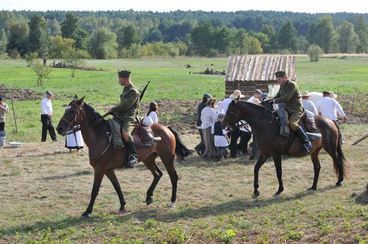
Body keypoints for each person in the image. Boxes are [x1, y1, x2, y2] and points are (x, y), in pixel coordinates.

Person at [266, 71, 312, 153]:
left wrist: (274, 101)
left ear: (285, 77)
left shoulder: (292, 85)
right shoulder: (282, 85)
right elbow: (278, 95)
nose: (278, 80)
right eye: (277, 78)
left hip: (296, 109)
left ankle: (307, 142)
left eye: (279, 78)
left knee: (292, 124)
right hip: (286, 109)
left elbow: (286, 98)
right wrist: (268, 100)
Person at [108, 70, 141, 168]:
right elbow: (122, 104)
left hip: (129, 118)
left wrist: (113, 109)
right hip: (121, 116)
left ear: (124, 79)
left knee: (126, 133)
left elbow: (126, 105)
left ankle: (134, 156)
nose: (118, 81)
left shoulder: (133, 91)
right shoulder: (126, 89)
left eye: (119, 78)